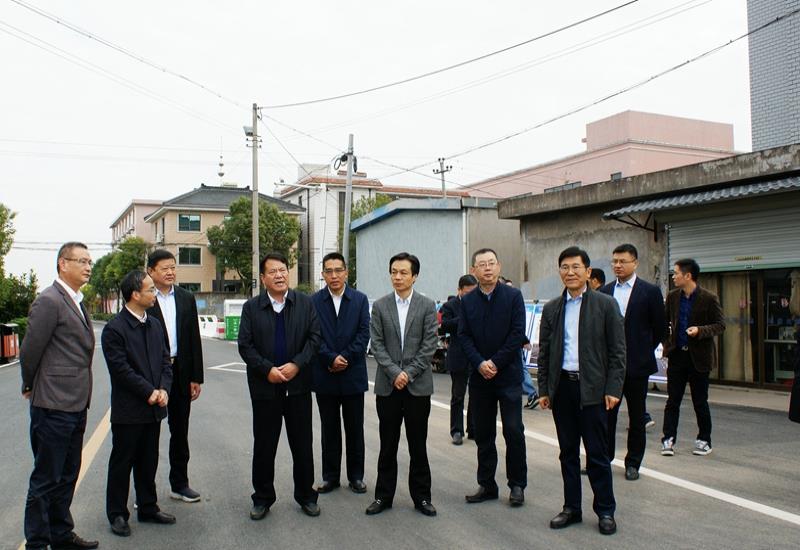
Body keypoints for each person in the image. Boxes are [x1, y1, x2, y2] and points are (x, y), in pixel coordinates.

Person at [538, 246, 625, 536]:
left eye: (576, 267)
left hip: (594, 390)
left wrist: (613, 388)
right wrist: (544, 389)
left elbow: (618, 351)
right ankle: (571, 508)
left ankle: (606, 510)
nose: (570, 272)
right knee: (567, 453)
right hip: (563, 388)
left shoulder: (605, 305)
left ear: (588, 272)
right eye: (565, 267)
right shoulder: (552, 308)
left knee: (597, 454)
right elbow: (545, 352)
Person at [20, 242, 99, 550]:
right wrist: (30, 384)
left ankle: (61, 534)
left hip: (76, 403)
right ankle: (38, 543)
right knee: (46, 478)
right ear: (63, 264)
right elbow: (30, 350)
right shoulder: (49, 300)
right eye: (82, 261)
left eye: (90, 261)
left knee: (67, 474)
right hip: (52, 403)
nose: (88, 267)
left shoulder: (77, 301)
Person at [238, 252, 322, 519]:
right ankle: (262, 498)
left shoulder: (305, 303)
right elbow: (245, 346)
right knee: (264, 446)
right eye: (273, 271)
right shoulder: (252, 308)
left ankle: (306, 495)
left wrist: (296, 364)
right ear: (263, 278)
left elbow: (314, 338)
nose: (279, 275)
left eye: (283, 270)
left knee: (302, 445)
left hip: (298, 388)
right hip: (265, 389)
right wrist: (267, 370)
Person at [102, 270, 175, 537]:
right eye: (150, 289)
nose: (154, 293)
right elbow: (121, 370)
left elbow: (166, 360)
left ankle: (148, 507)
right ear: (135, 294)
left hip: (154, 407)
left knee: (148, 460)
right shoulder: (115, 329)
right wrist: (149, 392)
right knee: (122, 462)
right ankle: (117, 513)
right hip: (129, 409)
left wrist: (164, 389)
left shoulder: (154, 324)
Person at [366, 252, 438, 517]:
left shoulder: (427, 305)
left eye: (403, 272)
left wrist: (408, 373)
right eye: (394, 272)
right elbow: (377, 344)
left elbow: (429, 345)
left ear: (414, 276)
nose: (397, 277)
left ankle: (422, 498)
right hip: (388, 387)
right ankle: (383, 496)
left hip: (417, 387)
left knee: (418, 445)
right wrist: (395, 372)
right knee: (388, 445)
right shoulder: (380, 306)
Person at [459, 249, 527, 507]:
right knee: (484, 433)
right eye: (481, 265)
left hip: (507, 376)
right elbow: (463, 336)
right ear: (473, 270)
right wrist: (479, 363)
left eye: (491, 263)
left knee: (513, 430)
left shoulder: (513, 296)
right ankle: (487, 484)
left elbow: (517, 333)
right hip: (480, 379)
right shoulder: (468, 301)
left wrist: (495, 362)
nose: (487, 268)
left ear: (498, 266)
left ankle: (517, 485)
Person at [599, 244, 665, 481]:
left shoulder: (650, 292)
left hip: (637, 365)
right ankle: (603, 459)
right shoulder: (605, 291)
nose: (618, 265)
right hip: (609, 367)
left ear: (635, 263)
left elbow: (659, 328)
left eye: (623, 261)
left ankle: (633, 462)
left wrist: (642, 348)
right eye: (615, 261)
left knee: (637, 417)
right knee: (606, 416)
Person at [145, 249, 204, 503]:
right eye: (164, 268)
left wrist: (196, 377)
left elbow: (193, 338)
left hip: (180, 370)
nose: (170, 272)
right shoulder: (145, 297)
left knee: (180, 432)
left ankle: (179, 484)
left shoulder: (185, 297)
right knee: (148, 434)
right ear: (151, 271)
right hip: (152, 371)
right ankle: (145, 491)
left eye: (173, 267)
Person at [311, 252, 371, 494]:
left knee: (355, 428)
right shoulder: (314, 301)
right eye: (329, 271)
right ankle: (330, 477)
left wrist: (344, 358)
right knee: (329, 429)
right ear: (323, 274)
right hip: (325, 374)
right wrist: (330, 358)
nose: (334, 275)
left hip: (352, 374)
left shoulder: (359, 300)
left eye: (338, 270)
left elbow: (364, 334)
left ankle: (356, 476)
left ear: (346, 272)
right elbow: (313, 335)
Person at [661, 258, 725, 457]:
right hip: (677, 355)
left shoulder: (709, 298)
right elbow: (664, 322)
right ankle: (668, 439)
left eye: (676, 273)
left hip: (699, 357)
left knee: (700, 401)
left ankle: (704, 440)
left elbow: (720, 325)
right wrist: (667, 343)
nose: (673, 276)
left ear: (688, 276)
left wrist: (700, 330)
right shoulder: (672, 297)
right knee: (673, 400)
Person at [439, 274, 478, 445]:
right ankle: (456, 430)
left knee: (476, 394)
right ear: (460, 290)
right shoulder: (450, 306)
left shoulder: (480, 303)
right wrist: (465, 317)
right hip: (458, 355)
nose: (471, 296)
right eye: (468, 293)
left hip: (476, 355)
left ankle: (473, 429)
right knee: (458, 395)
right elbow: (445, 325)